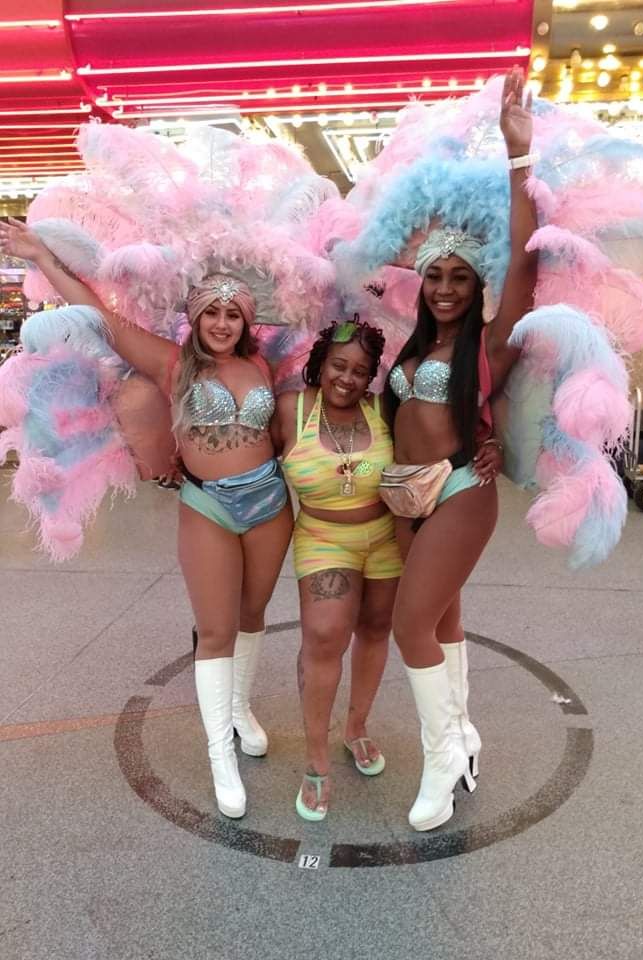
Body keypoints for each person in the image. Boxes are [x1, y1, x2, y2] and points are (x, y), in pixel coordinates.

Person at [0, 220, 293, 820]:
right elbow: (99, 315)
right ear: (194, 318)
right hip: (208, 505)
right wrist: (40, 255)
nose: (220, 323)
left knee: (253, 615)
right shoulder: (172, 363)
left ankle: (239, 710)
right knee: (215, 630)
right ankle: (219, 755)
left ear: (245, 322)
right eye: (210, 313)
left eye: (232, 314)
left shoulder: (262, 371)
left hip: (270, 503)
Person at [380, 69, 538, 831]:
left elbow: (525, 260)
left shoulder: (490, 344)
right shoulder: (411, 347)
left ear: (478, 288)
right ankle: (464, 730)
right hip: (404, 492)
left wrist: (519, 159)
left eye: (460, 278)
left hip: (461, 491)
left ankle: (442, 758)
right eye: (435, 275)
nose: (445, 288)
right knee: (440, 620)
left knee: (412, 625)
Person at [271, 319, 399, 821]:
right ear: (321, 363)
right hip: (324, 538)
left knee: (376, 628)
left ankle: (356, 728)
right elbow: (244, 459)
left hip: (386, 537)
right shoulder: (290, 409)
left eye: (362, 371)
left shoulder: (383, 409)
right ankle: (316, 759)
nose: (348, 378)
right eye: (339, 366)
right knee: (324, 636)